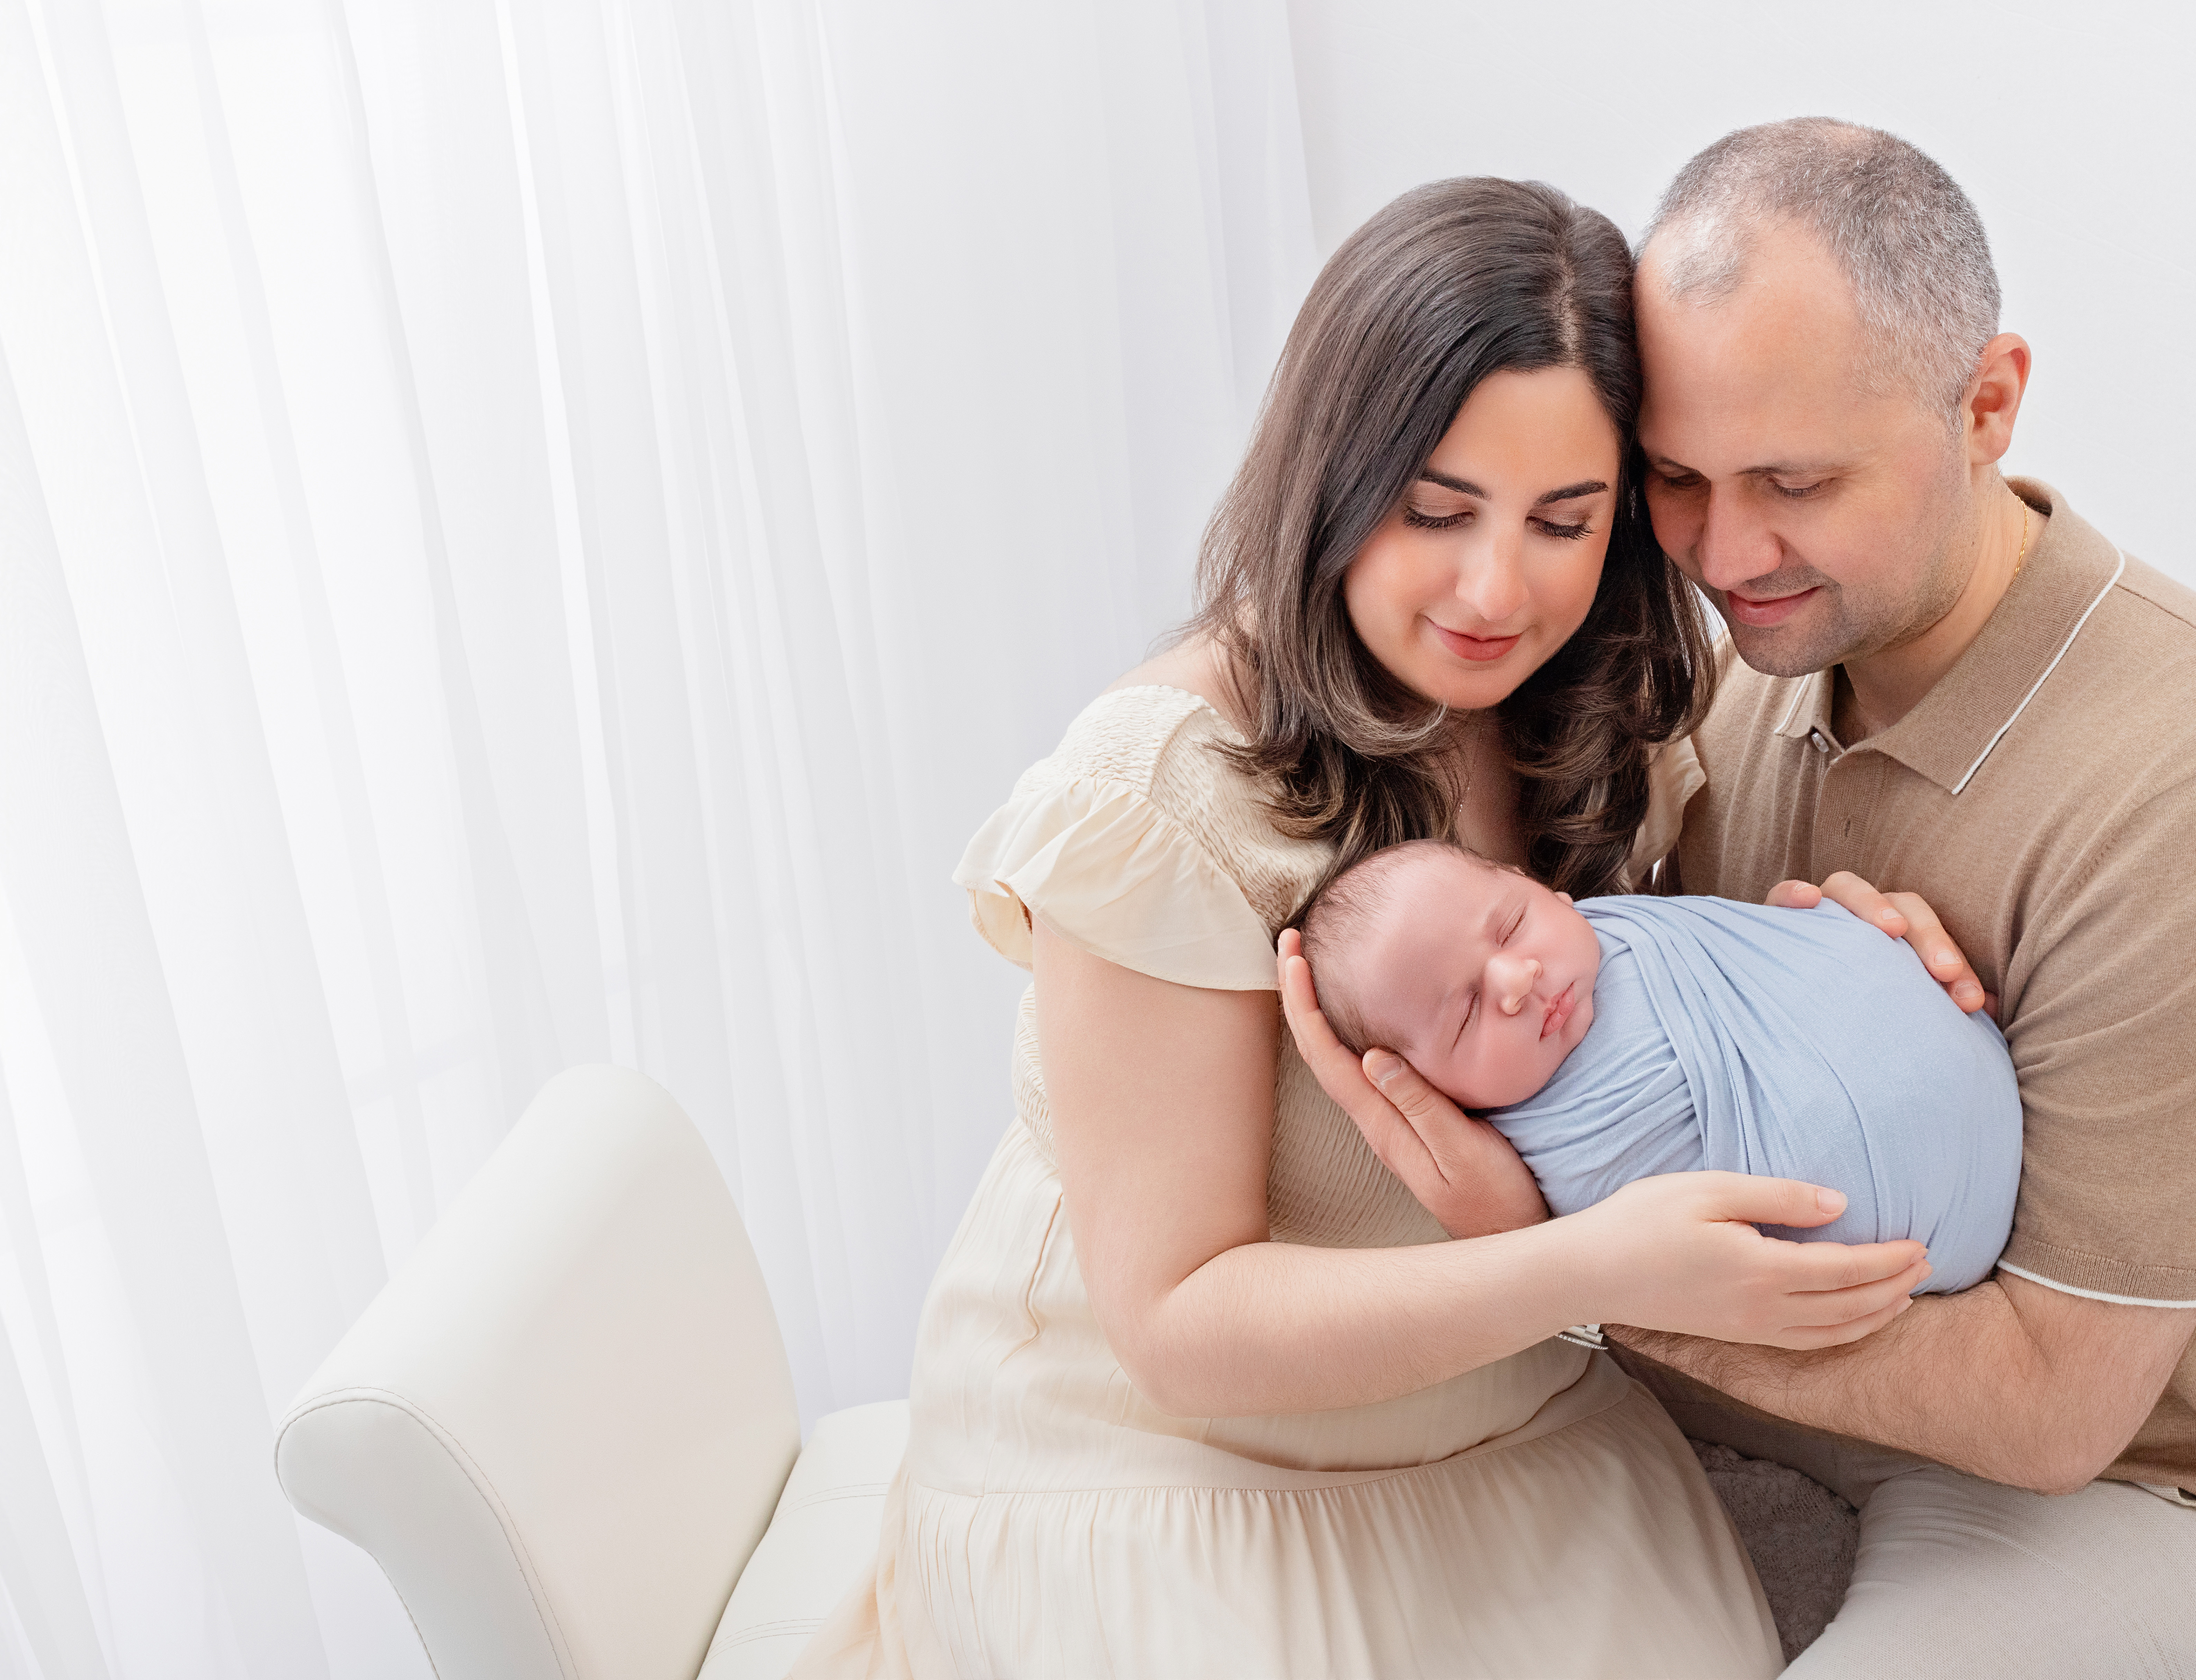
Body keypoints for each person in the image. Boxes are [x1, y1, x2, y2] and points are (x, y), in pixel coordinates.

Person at [1289, 120, 2196, 1678]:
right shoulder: (1761, 672)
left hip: (2152, 1487)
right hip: (1778, 1412)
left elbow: (2049, 1400)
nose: (1727, 550)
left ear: (1987, 402)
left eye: (1799, 479)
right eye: (1681, 481)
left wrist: (1572, 1262)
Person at [799, 176, 1941, 1679]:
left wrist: (1822, 967)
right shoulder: (1167, 786)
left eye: (1564, 520)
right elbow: (1180, 1316)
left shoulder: (1600, 729)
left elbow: (1633, 1058)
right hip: (1156, 1468)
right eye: (1435, 510)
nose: (1493, 587)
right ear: (1336, 479)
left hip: (1489, 1422)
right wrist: (1585, 1268)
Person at [1291, 837, 2018, 1290]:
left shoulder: (1630, 922)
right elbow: (1633, 1264)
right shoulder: (1543, 1151)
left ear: (1541, 885)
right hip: (1907, 1245)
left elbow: (1761, 943)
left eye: (1512, 923)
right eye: (1466, 1012)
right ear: (1423, 1088)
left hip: (1980, 1075)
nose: (1516, 981)